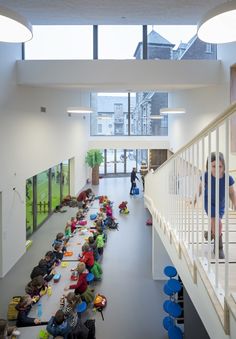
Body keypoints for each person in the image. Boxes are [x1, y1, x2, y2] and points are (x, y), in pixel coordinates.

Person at [194, 152, 236, 259]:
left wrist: (235, 203)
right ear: (209, 166)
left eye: (220, 166)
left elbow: (231, 193)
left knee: (215, 223)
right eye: (213, 166)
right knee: (217, 222)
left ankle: (210, 234)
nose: (217, 169)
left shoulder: (228, 178)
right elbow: (200, 188)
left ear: (223, 166)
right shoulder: (206, 176)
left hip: (220, 205)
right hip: (209, 203)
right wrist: (195, 198)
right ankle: (219, 247)